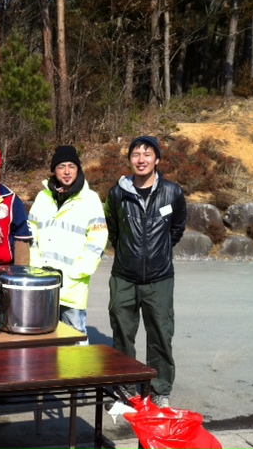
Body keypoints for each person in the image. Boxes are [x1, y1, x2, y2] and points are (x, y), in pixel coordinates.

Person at [104, 136, 187, 408]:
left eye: (147, 154)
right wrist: (130, 252)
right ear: (129, 160)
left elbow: (176, 228)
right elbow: (113, 229)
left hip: (159, 278)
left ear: (157, 160)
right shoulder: (117, 193)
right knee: (122, 334)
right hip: (124, 277)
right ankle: (126, 387)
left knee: (161, 335)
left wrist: (158, 252)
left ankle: (160, 389)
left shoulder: (172, 192)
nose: (141, 159)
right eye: (136, 154)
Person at [28, 145, 108, 343]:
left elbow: (98, 240)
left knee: (74, 342)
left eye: (71, 166)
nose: (66, 171)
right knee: (41, 340)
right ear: (54, 170)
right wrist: (34, 266)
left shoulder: (90, 199)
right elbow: (31, 233)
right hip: (42, 283)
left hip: (72, 287)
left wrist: (78, 271)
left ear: (78, 169)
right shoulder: (43, 197)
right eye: (61, 166)